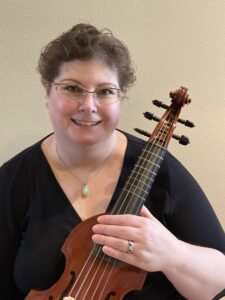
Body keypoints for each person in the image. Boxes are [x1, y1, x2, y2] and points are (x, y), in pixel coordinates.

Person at [0, 23, 225, 300]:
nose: (89, 105)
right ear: (48, 92)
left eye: (105, 91)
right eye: (72, 88)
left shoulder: (161, 170)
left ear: (121, 98)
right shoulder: (13, 182)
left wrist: (172, 254)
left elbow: (220, 279)